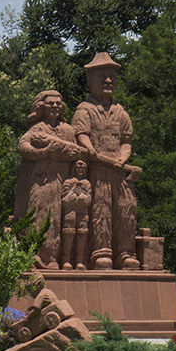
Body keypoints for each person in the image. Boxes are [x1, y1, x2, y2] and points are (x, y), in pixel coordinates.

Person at [70, 53, 142, 269]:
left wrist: (123, 158)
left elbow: (126, 141)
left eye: (112, 76)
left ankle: (125, 253)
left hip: (119, 172)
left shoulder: (121, 112)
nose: (108, 81)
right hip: (97, 170)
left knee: (126, 208)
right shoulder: (85, 110)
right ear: (90, 80)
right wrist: (90, 149)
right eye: (102, 76)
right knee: (101, 208)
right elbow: (80, 135)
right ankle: (101, 253)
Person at [13, 90, 82, 268]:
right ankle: (34, 253)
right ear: (41, 107)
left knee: (56, 218)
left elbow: (75, 153)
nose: (54, 106)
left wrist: (58, 150)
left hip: (61, 181)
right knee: (37, 212)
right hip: (39, 180)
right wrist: (43, 152)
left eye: (58, 103)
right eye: (50, 103)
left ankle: (52, 258)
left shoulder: (67, 130)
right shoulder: (37, 128)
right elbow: (22, 146)